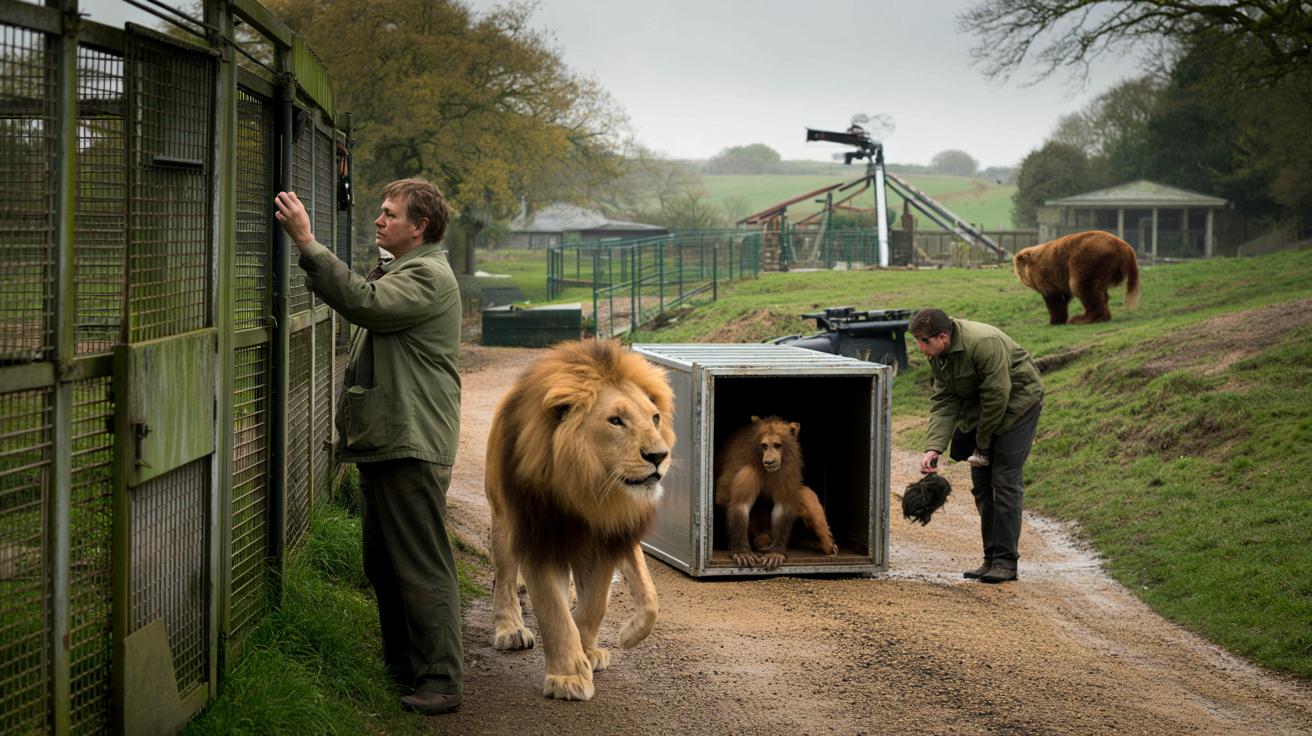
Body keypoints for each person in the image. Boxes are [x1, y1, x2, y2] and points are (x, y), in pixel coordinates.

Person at [274, 179, 464, 714]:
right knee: (384, 562)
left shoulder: (426, 275)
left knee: (422, 564)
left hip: (412, 441)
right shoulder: (405, 269)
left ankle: (442, 680)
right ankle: (403, 668)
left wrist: (308, 243)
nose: (379, 222)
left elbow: (366, 303)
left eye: (389, 214)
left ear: (419, 226)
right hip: (390, 438)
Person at [911, 308, 1043, 584]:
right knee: (981, 484)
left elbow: (998, 397)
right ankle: (990, 558)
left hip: (1017, 406)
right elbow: (945, 400)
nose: (920, 348)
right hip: (983, 409)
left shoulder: (984, 344)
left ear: (943, 336)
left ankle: (1006, 562)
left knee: (1004, 480)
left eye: (924, 341)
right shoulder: (938, 355)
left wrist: (982, 445)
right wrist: (933, 448)